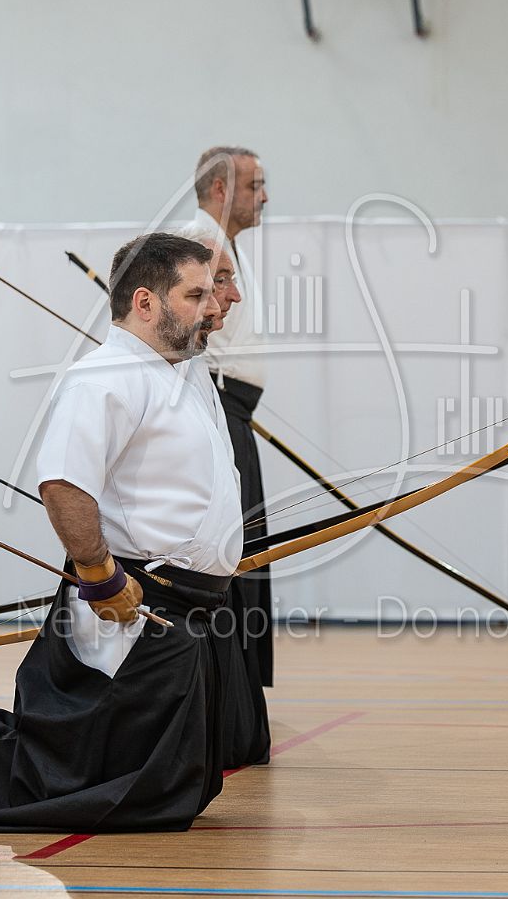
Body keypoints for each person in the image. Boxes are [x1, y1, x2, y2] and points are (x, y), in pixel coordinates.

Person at [0, 233, 246, 834]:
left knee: (164, 788)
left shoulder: (182, 371)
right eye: (196, 294)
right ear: (145, 302)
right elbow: (65, 484)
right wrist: (99, 575)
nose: (213, 305)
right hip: (131, 603)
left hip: (186, 606)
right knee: (103, 779)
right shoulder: (104, 377)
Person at [182, 146, 276, 725]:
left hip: (234, 411)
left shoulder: (223, 246)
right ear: (220, 189)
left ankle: (237, 690)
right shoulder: (199, 243)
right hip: (217, 407)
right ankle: (222, 692)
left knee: (245, 548)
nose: (264, 196)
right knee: (228, 551)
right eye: (254, 185)